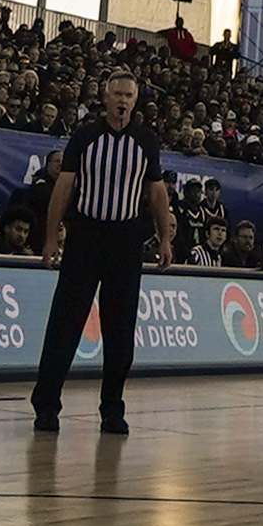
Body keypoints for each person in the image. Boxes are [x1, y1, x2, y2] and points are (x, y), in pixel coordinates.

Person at [30, 71, 160, 435]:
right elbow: (65, 187)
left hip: (125, 241)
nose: (122, 100)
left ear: (135, 101)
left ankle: (113, 409)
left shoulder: (146, 141)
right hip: (86, 236)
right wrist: (51, 237)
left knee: (120, 331)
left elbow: (157, 192)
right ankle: (46, 406)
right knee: (64, 324)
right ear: (105, 97)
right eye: (117, 93)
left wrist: (165, 238)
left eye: (128, 96)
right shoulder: (85, 136)